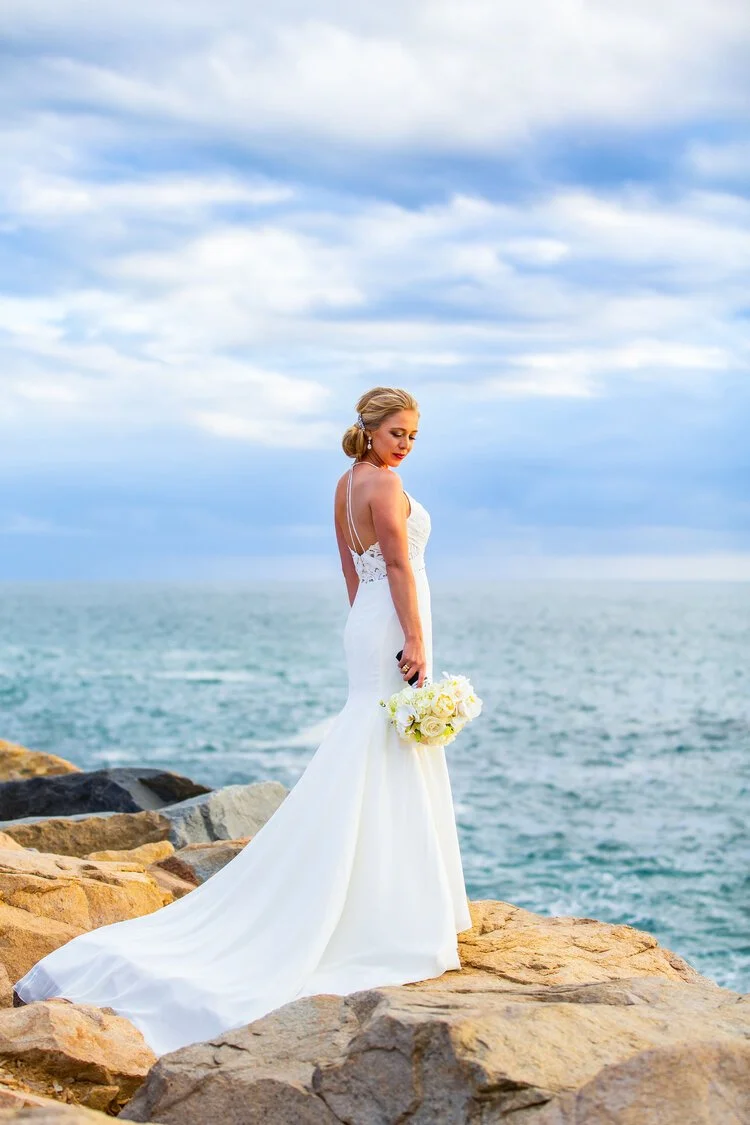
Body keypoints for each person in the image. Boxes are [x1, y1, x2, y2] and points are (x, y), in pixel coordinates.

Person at [13, 385, 472, 1057]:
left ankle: (380, 889)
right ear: (371, 428)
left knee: (373, 742)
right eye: (396, 432)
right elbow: (399, 562)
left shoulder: (346, 483)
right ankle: (385, 907)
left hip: (368, 622)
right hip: (394, 624)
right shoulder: (384, 483)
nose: (404, 444)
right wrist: (415, 638)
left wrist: (371, 622)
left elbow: (353, 571)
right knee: (384, 746)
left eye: (412, 436)